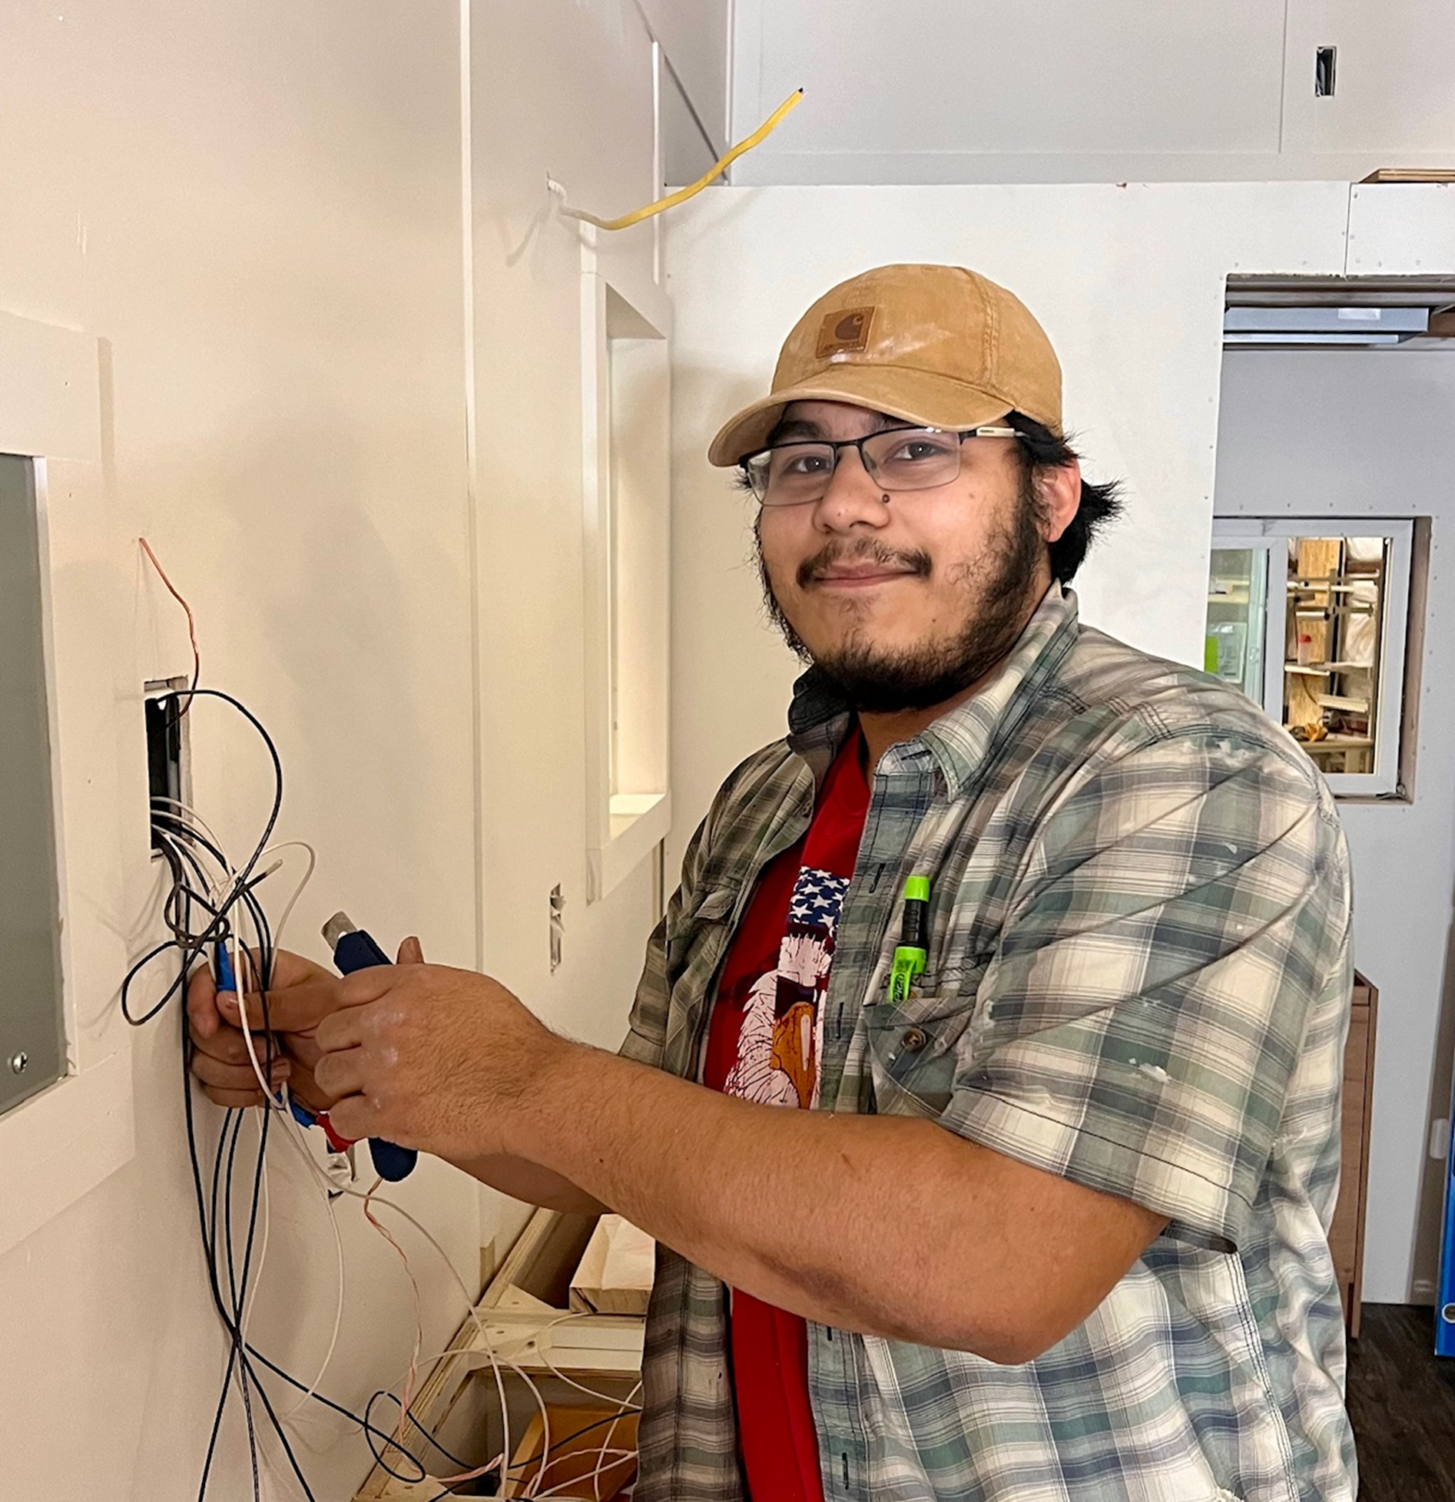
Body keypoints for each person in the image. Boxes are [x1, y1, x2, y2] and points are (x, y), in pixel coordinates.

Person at [188, 263, 1356, 1502]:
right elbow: (634, 1145)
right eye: (800, 463)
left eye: (913, 451)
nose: (846, 506)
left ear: (1053, 496)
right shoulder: (767, 803)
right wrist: (375, 1056)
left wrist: (521, 1078)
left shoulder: (1176, 774)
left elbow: (1000, 1265)